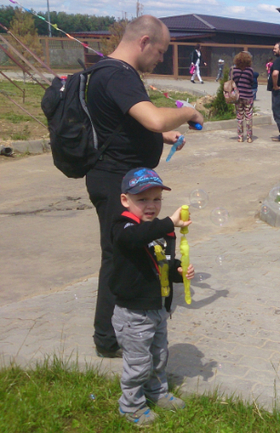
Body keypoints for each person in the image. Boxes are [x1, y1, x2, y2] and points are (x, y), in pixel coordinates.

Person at [85, 15, 204, 358]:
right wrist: (189, 113)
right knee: (117, 254)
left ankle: (120, 328)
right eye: (161, 50)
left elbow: (120, 125)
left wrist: (162, 135)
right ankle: (109, 340)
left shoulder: (108, 72)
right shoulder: (118, 74)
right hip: (115, 180)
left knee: (126, 252)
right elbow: (151, 116)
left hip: (117, 175)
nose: (162, 58)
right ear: (144, 41)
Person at [112, 167, 194, 427]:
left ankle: (157, 393)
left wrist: (179, 270)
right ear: (126, 200)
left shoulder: (160, 230)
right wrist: (169, 222)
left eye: (156, 199)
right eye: (143, 200)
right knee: (138, 363)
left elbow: (163, 262)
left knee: (158, 356)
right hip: (133, 313)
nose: (151, 206)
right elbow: (135, 239)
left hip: (157, 308)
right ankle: (131, 406)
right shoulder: (123, 226)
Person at [230, 51, 256, 143]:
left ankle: (240, 137)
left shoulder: (234, 70)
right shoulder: (250, 70)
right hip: (248, 95)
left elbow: (233, 82)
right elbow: (251, 82)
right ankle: (249, 137)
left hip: (238, 96)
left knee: (239, 117)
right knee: (248, 117)